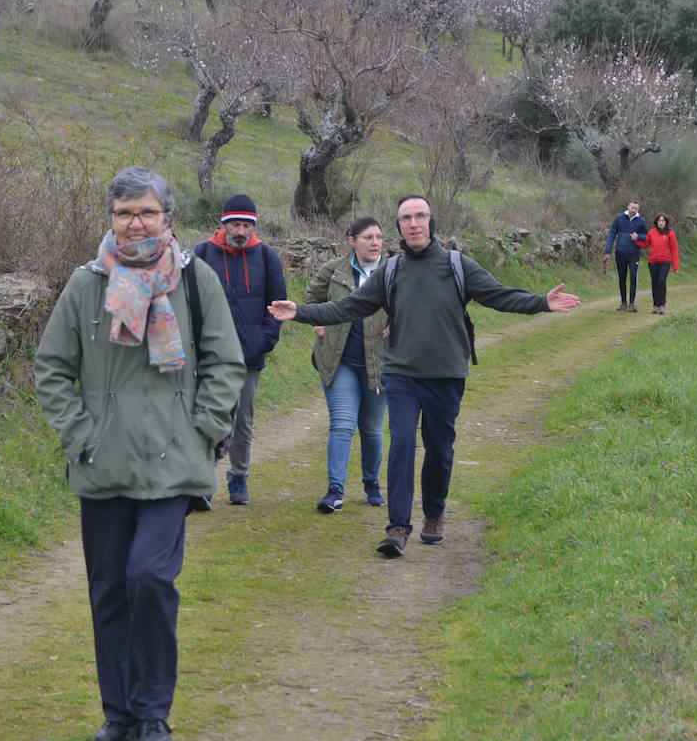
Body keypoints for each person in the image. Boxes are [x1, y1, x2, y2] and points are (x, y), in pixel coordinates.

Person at [34, 167, 245, 741]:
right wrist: (81, 434)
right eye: (125, 212)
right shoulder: (86, 284)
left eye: (147, 212)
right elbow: (51, 368)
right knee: (109, 589)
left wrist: (203, 428)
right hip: (102, 464)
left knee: (150, 579)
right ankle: (119, 714)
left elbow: (225, 362)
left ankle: (154, 716)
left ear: (167, 217)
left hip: (172, 462)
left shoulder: (196, 280)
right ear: (111, 219)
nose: (136, 223)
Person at [268, 195, 581, 557]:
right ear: (398, 226)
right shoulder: (391, 270)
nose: (413, 223)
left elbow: (498, 296)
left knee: (439, 450)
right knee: (401, 444)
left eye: (420, 216)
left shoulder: (457, 265)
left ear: (431, 222)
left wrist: (542, 302)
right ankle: (397, 526)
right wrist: (302, 312)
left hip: (446, 374)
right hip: (401, 374)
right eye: (406, 218)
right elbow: (350, 306)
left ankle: (434, 512)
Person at [194, 194, 287, 506]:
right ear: (223, 224)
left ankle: (239, 477)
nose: (241, 230)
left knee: (242, 419)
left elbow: (278, 306)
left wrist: (265, 340)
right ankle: (204, 482)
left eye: (247, 224)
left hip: (249, 356)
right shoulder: (203, 253)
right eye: (235, 223)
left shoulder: (267, 257)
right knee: (210, 416)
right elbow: (190, 302)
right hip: (210, 356)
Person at [307, 217, 389, 514]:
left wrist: (396, 324)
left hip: (379, 363)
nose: (375, 242)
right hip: (339, 360)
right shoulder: (333, 271)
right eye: (368, 237)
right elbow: (313, 299)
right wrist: (318, 321)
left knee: (371, 428)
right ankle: (335, 491)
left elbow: (407, 305)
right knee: (341, 424)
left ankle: (372, 485)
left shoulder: (392, 272)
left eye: (379, 237)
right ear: (351, 241)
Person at [604, 200, 650, 313]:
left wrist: (638, 236)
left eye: (636, 209)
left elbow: (647, 236)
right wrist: (608, 251)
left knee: (633, 277)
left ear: (638, 210)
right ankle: (623, 302)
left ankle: (632, 303)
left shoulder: (641, 221)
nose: (634, 210)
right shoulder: (619, 219)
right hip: (620, 253)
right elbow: (611, 234)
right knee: (622, 278)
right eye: (632, 208)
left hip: (634, 254)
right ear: (628, 207)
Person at [645, 212, 681, 315]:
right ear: (656, 222)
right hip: (652, 261)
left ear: (666, 222)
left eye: (663, 221)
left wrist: (676, 266)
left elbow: (674, 249)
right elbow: (645, 244)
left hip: (665, 261)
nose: (661, 223)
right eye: (659, 221)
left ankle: (662, 305)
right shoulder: (651, 232)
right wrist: (635, 239)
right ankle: (655, 306)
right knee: (654, 283)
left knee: (661, 281)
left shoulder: (670, 233)